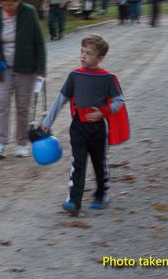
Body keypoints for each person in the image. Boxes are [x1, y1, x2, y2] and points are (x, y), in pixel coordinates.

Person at [39, 34, 130, 215]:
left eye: (88, 53)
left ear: (100, 58)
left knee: (99, 162)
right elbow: (61, 100)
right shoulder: (75, 75)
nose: (83, 56)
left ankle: (102, 194)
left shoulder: (107, 78)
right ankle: (73, 201)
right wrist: (46, 123)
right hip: (78, 126)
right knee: (78, 162)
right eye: (82, 52)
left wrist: (103, 112)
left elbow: (119, 100)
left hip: (98, 128)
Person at [0, 0, 46, 159]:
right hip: (2, 67)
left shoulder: (29, 12)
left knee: (22, 106)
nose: (7, 8)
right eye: (4, 5)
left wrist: (41, 69)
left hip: (26, 67)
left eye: (10, 5)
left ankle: (21, 143)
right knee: (0, 103)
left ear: (18, 1)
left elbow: (39, 42)